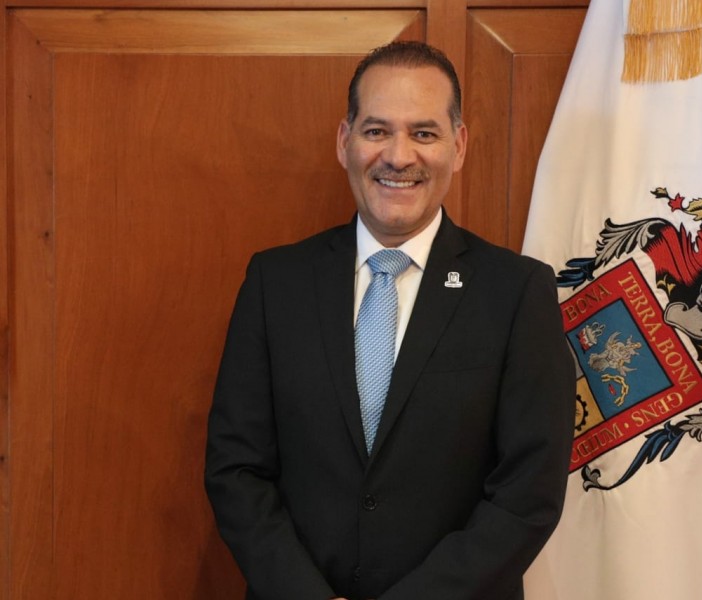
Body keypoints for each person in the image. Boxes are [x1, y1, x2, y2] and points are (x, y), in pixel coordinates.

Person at [205, 41, 574, 600]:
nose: (399, 156)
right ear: (344, 141)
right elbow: (236, 470)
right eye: (377, 130)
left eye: (424, 133)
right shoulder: (274, 282)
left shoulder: (517, 292)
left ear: (458, 146)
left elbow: (529, 494)